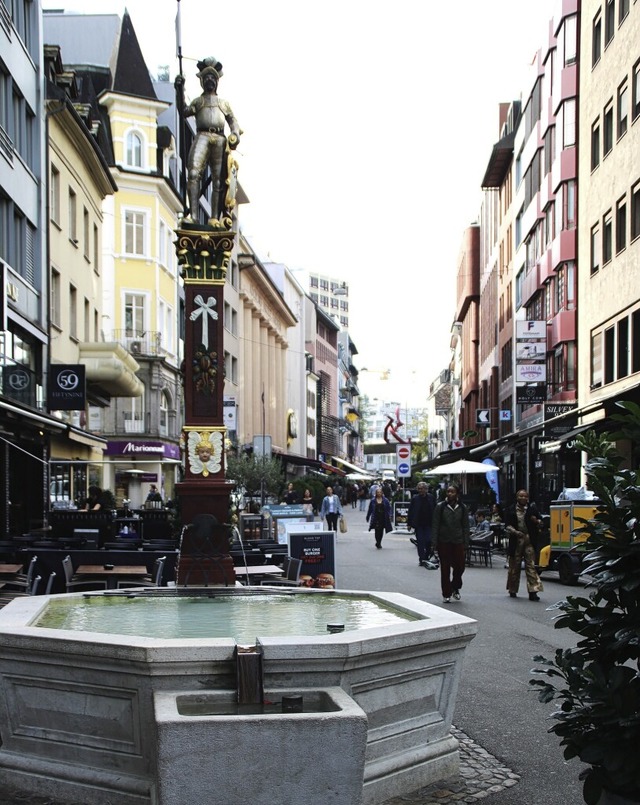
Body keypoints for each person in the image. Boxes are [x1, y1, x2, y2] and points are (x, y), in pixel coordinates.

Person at [180, 57, 242, 223]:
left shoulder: (224, 104)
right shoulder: (199, 101)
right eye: (206, 77)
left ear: (217, 81)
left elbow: (233, 121)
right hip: (202, 135)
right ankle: (193, 216)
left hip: (220, 139)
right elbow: (184, 111)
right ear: (201, 81)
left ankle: (214, 218)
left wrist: (235, 133)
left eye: (212, 78)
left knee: (219, 180)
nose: (209, 80)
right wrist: (180, 89)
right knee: (193, 173)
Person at [432, 485, 470, 603]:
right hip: (444, 540)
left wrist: (466, 542)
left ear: (457, 494)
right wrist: (434, 543)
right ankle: (446, 593)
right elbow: (435, 525)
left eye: (452, 492)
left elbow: (465, 526)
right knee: (445, 569)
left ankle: (455, 587)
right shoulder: (440, 506)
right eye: (448, 491)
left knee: (460, 566)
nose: (450, 494)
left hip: (458, 541)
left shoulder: (462, 508)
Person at [504, 489, 544, 601]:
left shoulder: (532, 510)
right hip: (516, 541)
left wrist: (537, 521)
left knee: (530, 566)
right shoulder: (511, 510)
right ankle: (512, 589)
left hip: (529, 540)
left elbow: (541, 523)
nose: (523, 498)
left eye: (525, 496)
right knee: (514, 566)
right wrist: (515, 532)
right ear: (517, 497)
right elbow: (507, 525)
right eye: (520, 496)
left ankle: (533, 591)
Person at [407, 482, 436, 568]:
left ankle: (426, 556)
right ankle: (422, 559)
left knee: (428, 541)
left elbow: (435, 509)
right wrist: (409, 523)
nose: (420, 490)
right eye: (419, 489)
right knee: (420, 542)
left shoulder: (431, 497)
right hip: (418, 524)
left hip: (429, 523)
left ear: (426, 489)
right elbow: (411, 511)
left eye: (422, 488)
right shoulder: (415, 498)